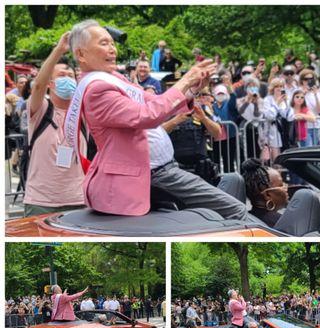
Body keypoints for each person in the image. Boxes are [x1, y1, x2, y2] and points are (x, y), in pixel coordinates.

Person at [66, 20, 247, 221]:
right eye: (103, 43)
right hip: (152, 175)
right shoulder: (98, 89)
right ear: (81, 54)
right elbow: (149, 115)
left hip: (165, 169)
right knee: (236, 211)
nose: (112, 49)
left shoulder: (114, 78)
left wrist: (192, 88)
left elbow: (155, 101)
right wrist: (185, 80)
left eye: (112, 43)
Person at [24, 33, 87, 217]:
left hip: (78, 200)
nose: (67, 78)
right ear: (51, 83)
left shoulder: (83, 113)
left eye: (70, 75)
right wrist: (59, 49)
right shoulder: (40, 109)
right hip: (41, 201)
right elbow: (37, 86)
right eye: (62, 75)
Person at [241, 158, 288, 227]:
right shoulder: (281, 224)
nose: (286, 188)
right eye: (281, 185)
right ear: (267, 195)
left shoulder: (247, 217)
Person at [262, 78, 294, 162]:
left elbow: (289, 117)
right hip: (272, 132)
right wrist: (277, 103)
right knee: (276, 159)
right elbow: (270, 116)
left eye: (281, 86)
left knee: (284, 157)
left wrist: (287, 103)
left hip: (284, 132)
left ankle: (283, 174)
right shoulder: (267, 100)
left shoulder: (286, 100)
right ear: (272, 88)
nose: (279, 88)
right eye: (277, 86)